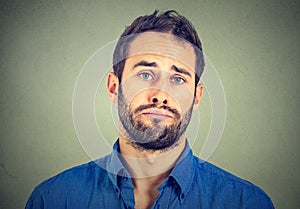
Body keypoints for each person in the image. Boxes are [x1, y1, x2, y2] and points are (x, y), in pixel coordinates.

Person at [25, 10, 274, 209]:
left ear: (196, 97)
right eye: (145, 74)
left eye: (178, 79)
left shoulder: (246, 203)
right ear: (114, 87)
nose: (161, 95)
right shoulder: (53, 199)